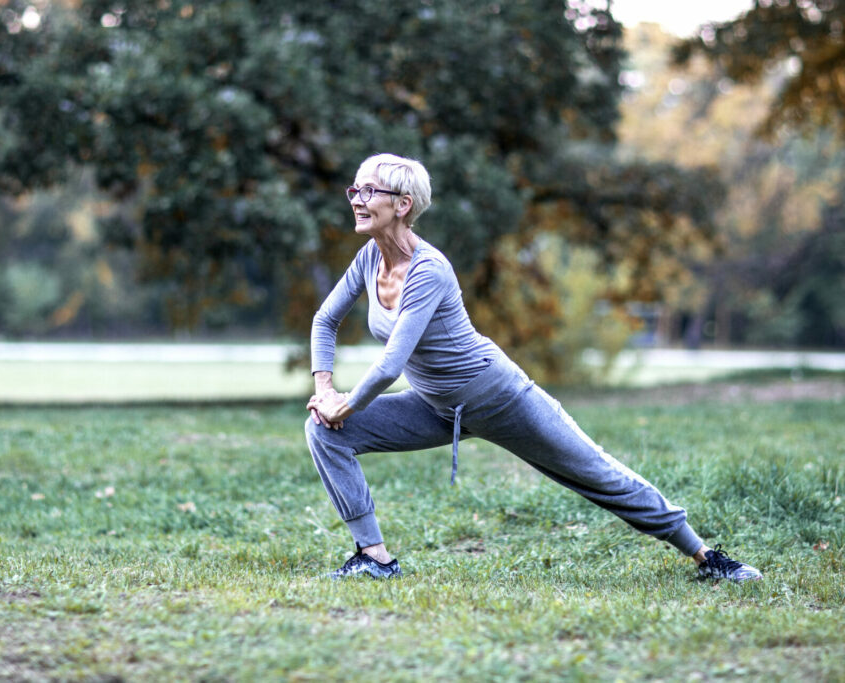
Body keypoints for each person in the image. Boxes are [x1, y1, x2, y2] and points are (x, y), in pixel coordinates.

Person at [305, 153, 762, 583]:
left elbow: (391, 363)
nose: (357, 201)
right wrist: (325, 391)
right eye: (355, 191)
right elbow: (325, 320)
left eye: (368, 191)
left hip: (498, 395)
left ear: (403, 204)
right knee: (324, 431)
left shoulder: (430, 270)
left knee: (597, 473)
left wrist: (346, 403)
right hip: (437, 406)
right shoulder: (368, 259)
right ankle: (374, 557)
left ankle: (707, 557)